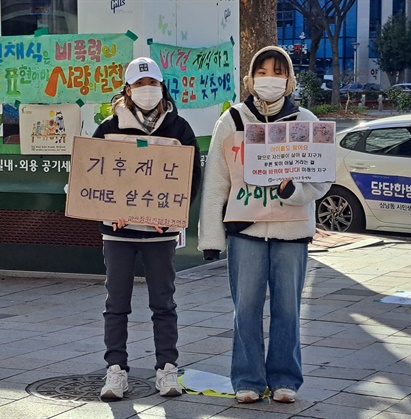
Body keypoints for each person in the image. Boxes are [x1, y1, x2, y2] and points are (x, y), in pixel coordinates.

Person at [197, 46, 331, 404]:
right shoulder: (233, 120)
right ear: (251, 76)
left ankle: (286, 378)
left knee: (288, 307)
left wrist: (294, 190)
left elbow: (321, 179)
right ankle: (247, 379)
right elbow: (216, 182)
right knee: (247, 307)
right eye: (263, 71)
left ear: (289, 80)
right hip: (246, 230)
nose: (270, 78)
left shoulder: (306, 120)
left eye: (278, 71)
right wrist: (211, 236)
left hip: (292, 230)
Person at [93, 57, 201, 400]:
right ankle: (116, 371)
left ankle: (167, 369)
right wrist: (109, 212)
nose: (147, 90)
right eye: (139, 85)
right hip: (118, 232)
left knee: (164, 303)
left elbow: (191, 179)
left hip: (160, 232)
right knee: (116, 303)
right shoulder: (107, 127)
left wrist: (170, 213)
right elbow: (93, 176)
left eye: (152, 83)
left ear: (161, 86)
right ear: (127, 89)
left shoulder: (179, 128)